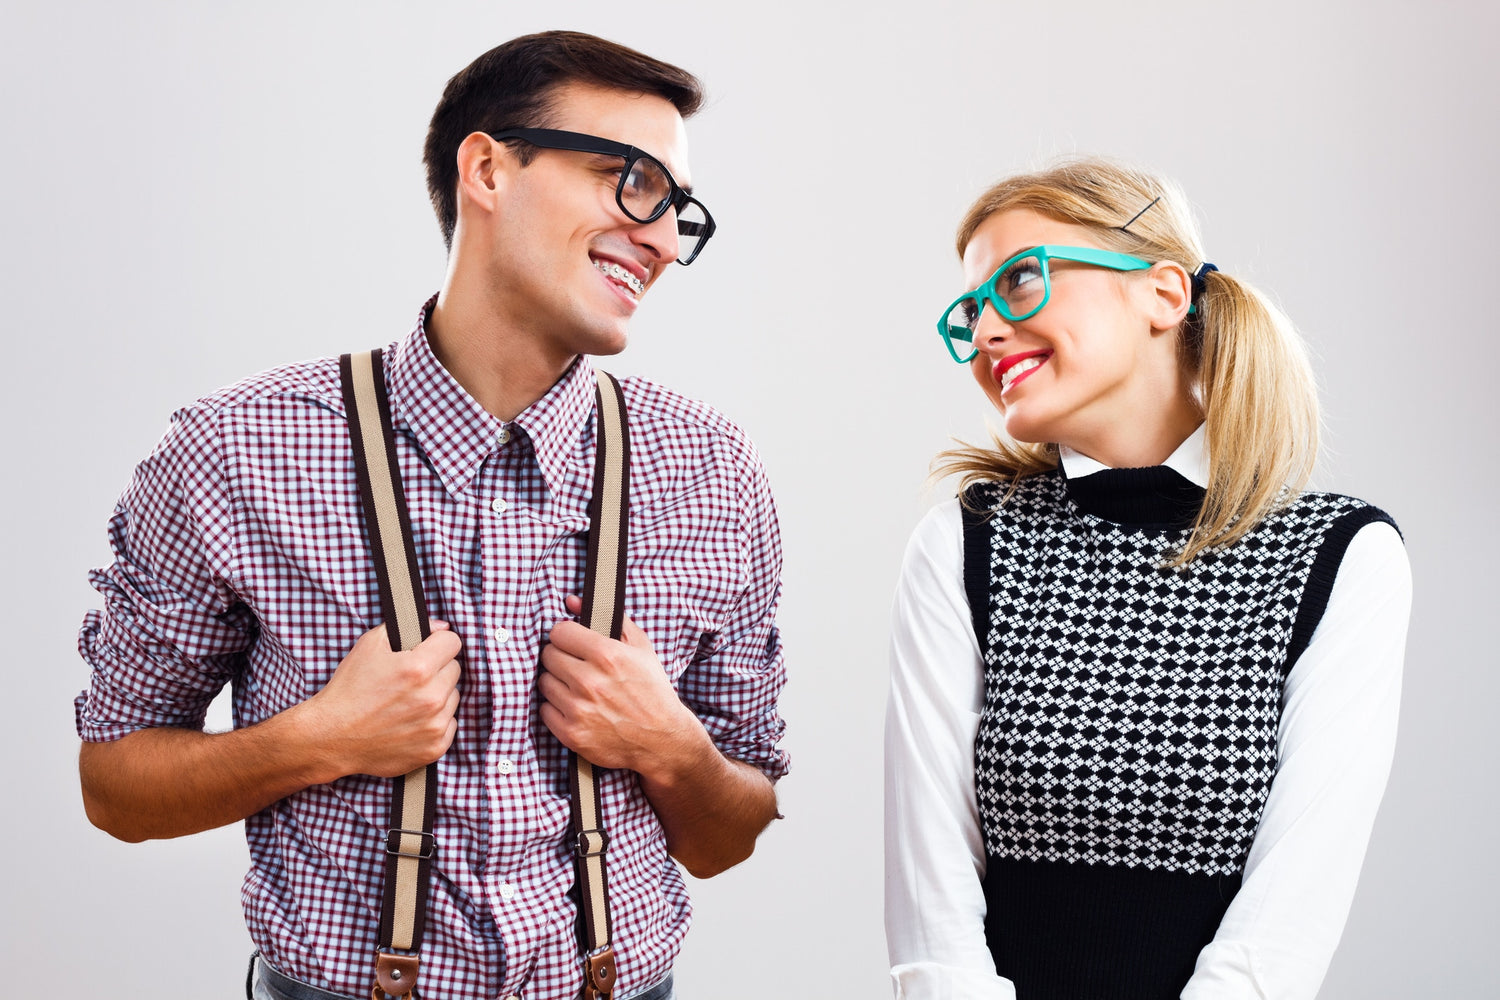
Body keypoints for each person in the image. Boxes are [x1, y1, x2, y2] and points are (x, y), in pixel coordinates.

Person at [75, 31, 788, 1000]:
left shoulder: (712, 472)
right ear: (487, 169)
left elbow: (728, 836)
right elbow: (114, 786)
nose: (662, 240)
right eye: (632, 183)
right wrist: (318, 737)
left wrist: (674, 749)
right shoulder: (236, 450)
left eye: (677, 210)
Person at [883, 158, 1410, 1000]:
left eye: (1018, 280)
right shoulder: (963, 543)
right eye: (971, 311)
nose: (983, 333)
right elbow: (931, 905)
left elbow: (1290, 914)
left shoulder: (1342, 555)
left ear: (1163, 294)